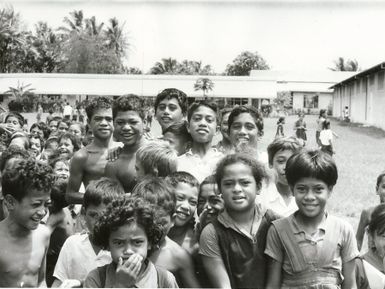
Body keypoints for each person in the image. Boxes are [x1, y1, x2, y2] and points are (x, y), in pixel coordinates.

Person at [265, 149, 359, 289]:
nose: (309, 197)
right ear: (292, 189)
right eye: (302, 189)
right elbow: (273, 285)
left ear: (330, 190)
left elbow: (350, 285)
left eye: (318, 189)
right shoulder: (278, 231)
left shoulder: (343, 230)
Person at [199, 153, 279, 288]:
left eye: (245, 182)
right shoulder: (211, 233)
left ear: (258, 187)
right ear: (220, 190)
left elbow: (275, 283)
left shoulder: (276, 223)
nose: (237, 189)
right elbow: (223, 286)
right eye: (229, 184)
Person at [84, 197, 179, 288]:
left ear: (149, 242)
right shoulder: (96, 279)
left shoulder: (164, 280)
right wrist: (120, 285)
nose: (128, 251)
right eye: (119, 243)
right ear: (108, 245)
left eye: (137, 242)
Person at [52, 178, 124, 288]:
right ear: (84, 214)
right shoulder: (73, 244)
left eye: (106, 216)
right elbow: (58, 283)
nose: (99, 222)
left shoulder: (123, 250)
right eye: (93, 215)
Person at [131, 176, 200, 288]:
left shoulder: (177, 256)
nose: (154, 229)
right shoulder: (122, 246)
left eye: (161, 223)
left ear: (172, 220)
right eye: (147, 222)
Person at [0, 158, 54, 287]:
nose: (42, 212)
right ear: (10, 202)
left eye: (46, 204)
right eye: (36, 205)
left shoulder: (43, 234)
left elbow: (41, 281)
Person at [66, 96, 116, 205]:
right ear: (89, 122)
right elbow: (70, 195)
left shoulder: (124, 149)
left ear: (114, 122)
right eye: (98, 119)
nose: (103, 123)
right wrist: (101, 199)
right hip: (95, 217)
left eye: (108, 119)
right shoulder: (82, 156)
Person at [105, 95, 146, 192]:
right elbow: (115, 200)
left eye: (133, 122)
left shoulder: (159, 153)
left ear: (144, 122)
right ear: (113, 124)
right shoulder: (113, 162)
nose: (126, 127)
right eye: (120, 122)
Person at [177, 100, 224, 183]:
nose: (202, 123)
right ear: (188, 127)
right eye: (197, 119)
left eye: (209, 120)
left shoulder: (224, 162)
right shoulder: (177, 163)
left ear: (217, 130)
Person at [259, 136, 303, 217]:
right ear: (270, 163)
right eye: (281, 161)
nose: (286, 167)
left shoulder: (306, 194)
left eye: (292, 161)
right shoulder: (261, 194)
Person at [165, 171, 200, 253]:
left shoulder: (194, 246)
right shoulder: (149, 233)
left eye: (193, 202)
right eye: (180, 198)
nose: (185, 206)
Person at [356, 171, 385, 251]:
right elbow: (357, 242)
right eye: (384, 187)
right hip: (372, 261)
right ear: (377, 189)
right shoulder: (368, 213)